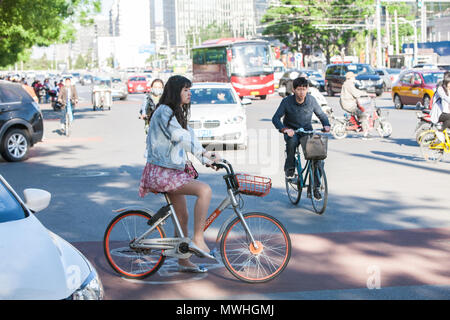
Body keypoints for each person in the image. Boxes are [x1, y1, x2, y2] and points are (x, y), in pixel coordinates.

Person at [139, 75, 220, 273]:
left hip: (171, 171)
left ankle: (183, 260)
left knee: (182, 216)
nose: (189, 93)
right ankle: (198, 239)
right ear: (176, 92)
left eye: (189, 90)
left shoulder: (174, 112)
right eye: (186, 90)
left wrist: (207, 158)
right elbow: (180, 137)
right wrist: (203, 155)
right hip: (162, 172)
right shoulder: (164, 112)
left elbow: (189, 135)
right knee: (204, 191)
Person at [272, 77, 330, 199]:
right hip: (291, 132)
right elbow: (276, 118)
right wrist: (285, 129)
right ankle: (290, 168)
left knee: (318, 158)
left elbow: (321, 115)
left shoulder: (311, 100)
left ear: (307, 89)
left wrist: (326, 124)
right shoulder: (286, 101)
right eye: (299, 89)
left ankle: (314, 188)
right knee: (292, 143)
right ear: (294, 90)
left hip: (307, 132)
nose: (301, 92)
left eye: (304, 89)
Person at [339, 71, 372, 138]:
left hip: (346, 103)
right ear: (350, 78)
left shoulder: (346, 84)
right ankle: (366, 134)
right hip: (349, 105)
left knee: (358, 112)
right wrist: (365, 93)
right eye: (354, 77)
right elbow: (355, 93)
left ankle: (358, 125)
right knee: (363, 115)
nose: (355, 78)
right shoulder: (349, 84)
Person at [430, 72, 450, 141]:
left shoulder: (448, 89)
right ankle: (440, 131)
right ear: (446, 82)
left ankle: (442, 147)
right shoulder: (440, 89)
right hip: (439, 113)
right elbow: (445, 98)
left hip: (446, 113)